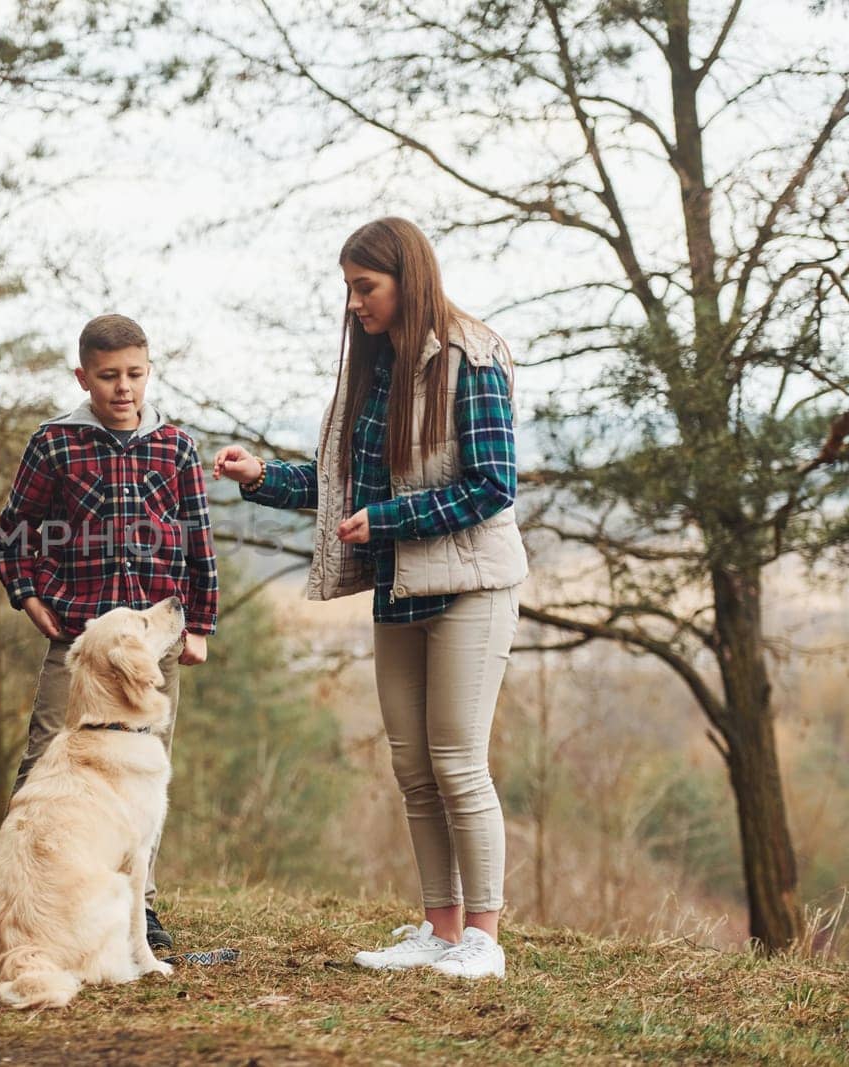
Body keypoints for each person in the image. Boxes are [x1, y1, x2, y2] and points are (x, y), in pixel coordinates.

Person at [214, 217, 525, 980]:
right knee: (414, 768)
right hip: (402, 585)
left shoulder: (471, 357)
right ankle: (439, 930)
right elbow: (339, 493)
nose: (353, 303)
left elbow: (492, 487)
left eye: (366, 288)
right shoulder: (377, 370)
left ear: (406, 279)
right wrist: (260, 477)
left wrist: (386, 520)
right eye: (348, 289)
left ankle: (484, 938)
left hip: (472, 588)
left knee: (457, 760)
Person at [0, 313, 218, 953]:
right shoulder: (55, 444)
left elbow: (198, 540)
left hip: (153, 645)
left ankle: (136, 908)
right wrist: (27, 591)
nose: (124, 389)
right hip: (81, 641)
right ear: (82, 376)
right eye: (109, 376)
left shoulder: (174, 446)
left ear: (149, 373)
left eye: (135, 375)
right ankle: (26, 890)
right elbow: (15, 527)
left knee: (142, 776)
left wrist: (198, 623)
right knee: (47, 758)